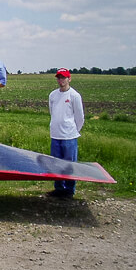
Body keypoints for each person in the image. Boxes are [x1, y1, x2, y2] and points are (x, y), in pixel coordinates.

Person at [47, 68, 84, 199]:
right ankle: (58, 188)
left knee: (69, 164)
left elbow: (80, 117)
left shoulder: (74, 95)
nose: (61, 80)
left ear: (69, 79)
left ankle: (69, 190)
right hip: (55, 134)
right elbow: (52, 112)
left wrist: (73, 130)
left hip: (69, 136)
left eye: (63, 78)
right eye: (59, 78)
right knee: (56, 163)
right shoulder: (53, 95)